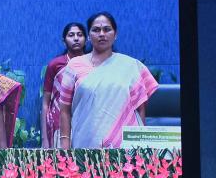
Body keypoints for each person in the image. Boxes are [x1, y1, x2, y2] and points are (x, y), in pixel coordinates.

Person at [57, 12, 158, 149]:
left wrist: (140, 147)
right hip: (84, 146)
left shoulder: (131, 66)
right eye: (96, 30)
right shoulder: (74, 65)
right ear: (89, 36)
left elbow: (140, 109)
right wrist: (65, 147)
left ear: (115, 34)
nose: (102, 34)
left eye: (107, 29)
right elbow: (64, 110)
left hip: (124, 149)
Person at [41, 22, 87, 148]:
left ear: (86, 39)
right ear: (64, 41)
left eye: (80, 35)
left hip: (85, 121)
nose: (76, 38)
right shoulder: (55, 65)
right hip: (58, 123)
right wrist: (45, 139)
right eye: (71, 35)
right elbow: (46, 103)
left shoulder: (91, 64)